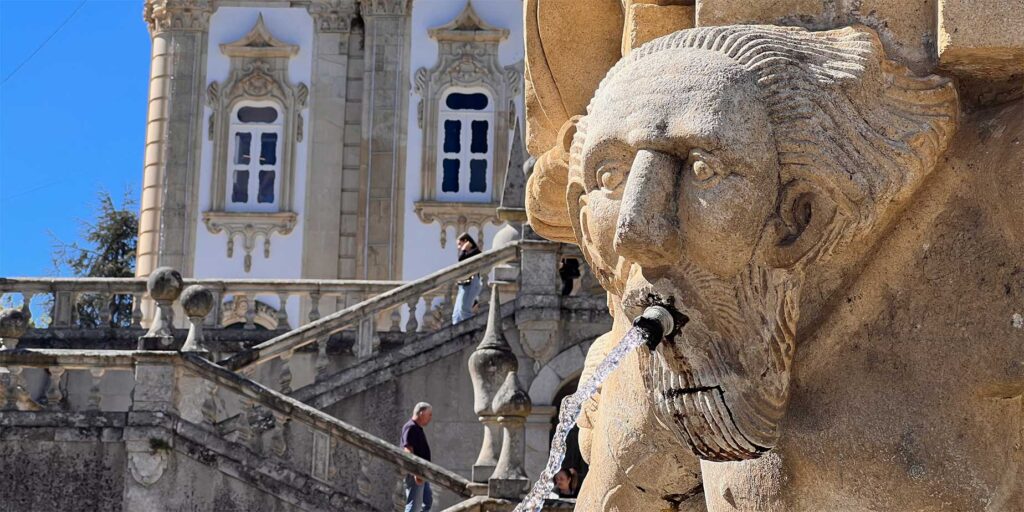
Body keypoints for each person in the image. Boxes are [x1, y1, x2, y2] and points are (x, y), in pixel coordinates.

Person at [401, 402, 433, 512]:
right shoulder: (411, 427)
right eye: (429, 414)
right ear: (421, 413)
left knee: (427, 502)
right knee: (413, 506)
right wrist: (416, 473)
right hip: (416, 472)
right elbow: (408, 451)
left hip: (422, 472)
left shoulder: (417, 428)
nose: (430, 418)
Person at [452, 233, 482, 324]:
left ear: (466, 241)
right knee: (456, 314)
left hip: (472, 282)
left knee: (464, 310)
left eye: (459, 244)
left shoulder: (475, 251)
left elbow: (461, 260)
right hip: (463, 284)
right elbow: (461, 259)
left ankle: (473, 328)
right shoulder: (467, 253)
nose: (458, 247)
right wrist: (464, 250)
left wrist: (464, 249)